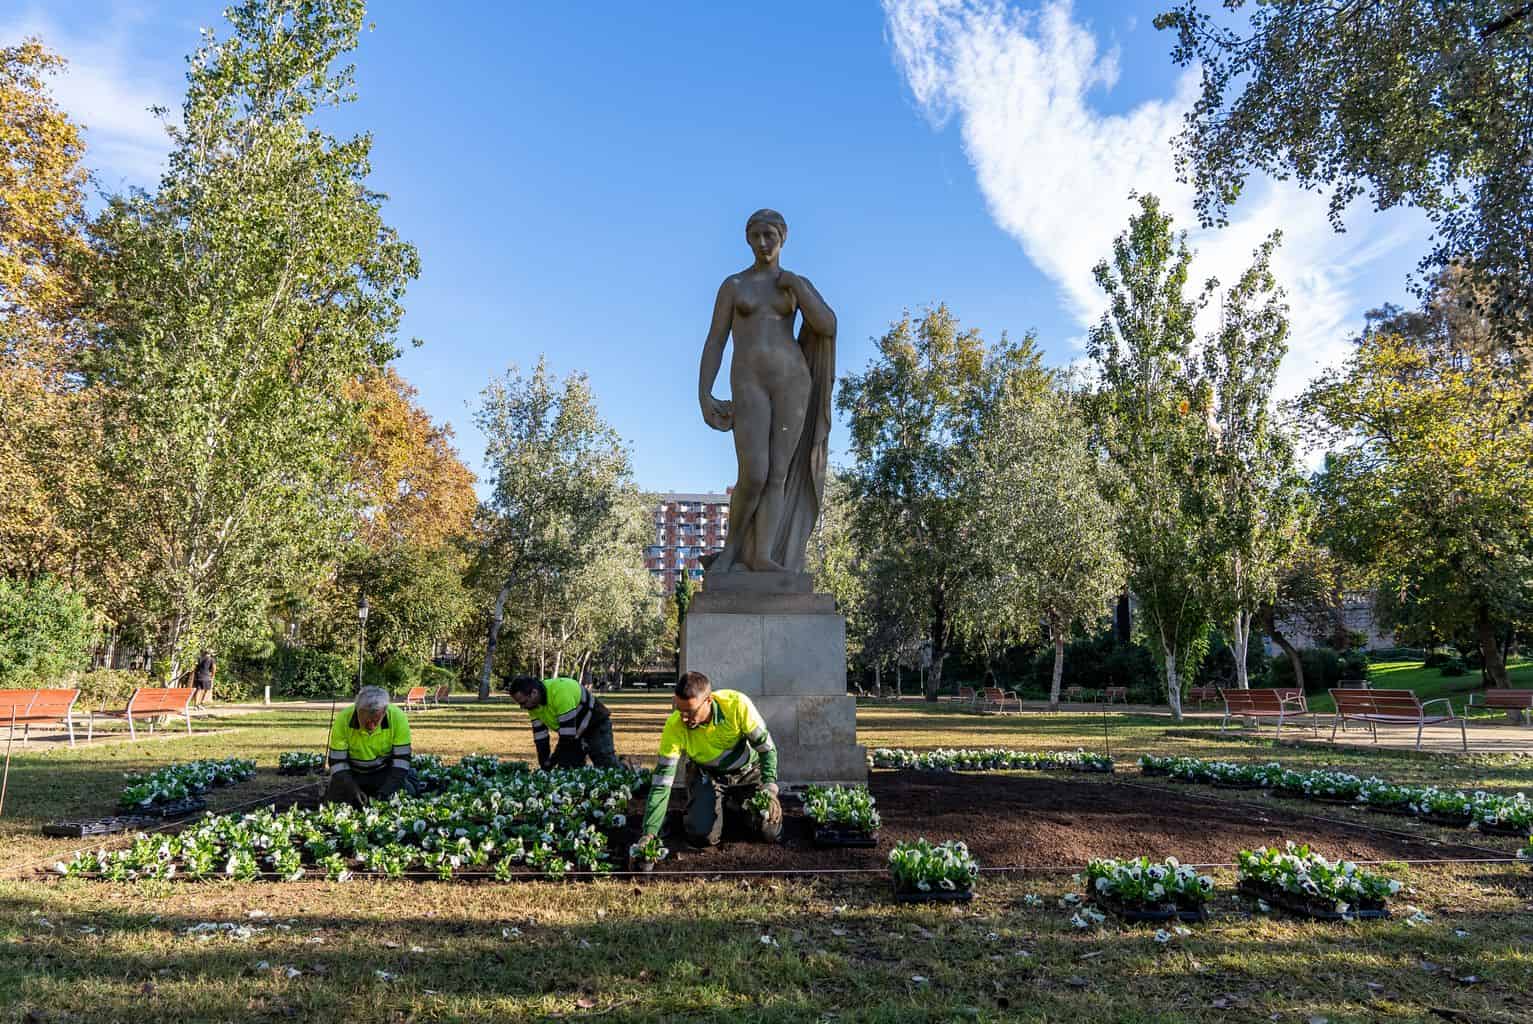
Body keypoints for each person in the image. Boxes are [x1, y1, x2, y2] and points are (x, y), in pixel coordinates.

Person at [697, 208, 836, 575]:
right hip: (749, 382)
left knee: (778, 474)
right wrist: (704, 392)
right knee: (754, 472)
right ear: (747, 238)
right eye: (756, 236)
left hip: (793, 381)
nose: (762, 243)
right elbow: (715, 340)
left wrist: (799, 288)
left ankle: (763, 556)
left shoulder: (794, 285)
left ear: (783, 237)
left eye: (769, 236)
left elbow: (826, 324)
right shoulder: (734, 285)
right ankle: (731, 551)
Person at [635, 671, 781, 852]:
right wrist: (649, 833)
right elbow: (661, 784)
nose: (684, 718)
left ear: (708, 701)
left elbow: (767, 749)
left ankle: (732, 808)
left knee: (767, 831)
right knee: (702, 836)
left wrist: (770, 788)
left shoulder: (737, 705)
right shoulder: (674, 726)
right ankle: (715, 808)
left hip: (748, 772)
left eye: (690, 711)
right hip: (707, 776)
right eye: (679, 710)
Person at [323, 685, 419, 806]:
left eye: (375, 720)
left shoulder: (398, 718)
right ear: (357, 710)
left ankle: (409, 780)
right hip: (352, 774)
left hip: (384, 772)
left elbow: (401, 763)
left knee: (408, 795)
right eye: (366, 721)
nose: (371, 726)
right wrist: (353, 790)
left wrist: (384, 793)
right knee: (333, 803)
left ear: (384, 712)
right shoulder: (343, 719)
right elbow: (337, 764)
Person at [508, 675, 618, 770]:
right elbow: (541, 739)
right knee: (568, 769)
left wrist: (551, 762)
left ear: (534, 693)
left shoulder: (560, 693)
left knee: (606, 766)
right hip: (573, 732)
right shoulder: (533, 706)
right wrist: (544, 764)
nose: (522, 707)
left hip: (595, 723)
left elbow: (567, 737)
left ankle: (626, 768)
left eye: (523, 702)